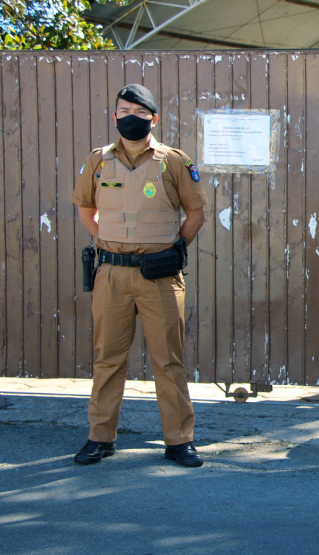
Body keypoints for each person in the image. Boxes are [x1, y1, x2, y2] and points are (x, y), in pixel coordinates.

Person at [72, 84, 209, 467]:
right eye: (123, 110)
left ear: (154, 117)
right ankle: (100, 438)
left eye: (139, 111)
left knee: (168, 361)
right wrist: (104, 240)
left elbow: (196, 213)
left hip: (160, 278)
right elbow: (85, 207)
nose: (131, 116)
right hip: (112, 275)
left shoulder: (174, 161)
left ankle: (179, 441)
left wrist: (175, 249)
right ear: (114, 116)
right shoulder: (98, 161)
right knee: (108, 360)